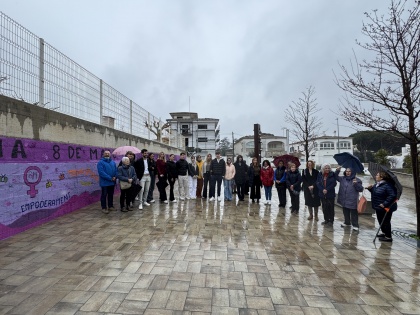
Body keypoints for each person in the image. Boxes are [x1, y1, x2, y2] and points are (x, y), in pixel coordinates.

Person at [366, 171, 397, 242]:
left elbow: (392, 195)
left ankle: (388, 237)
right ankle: (384, 233)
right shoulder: (378, 184)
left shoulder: (388, 185)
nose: (376, 176)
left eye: (377, 175)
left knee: (386, 221)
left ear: (382, 177)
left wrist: (384, 204)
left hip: (385, 207)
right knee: (380, 220)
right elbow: (376, 193)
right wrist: (370, 189)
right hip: (378, 206)